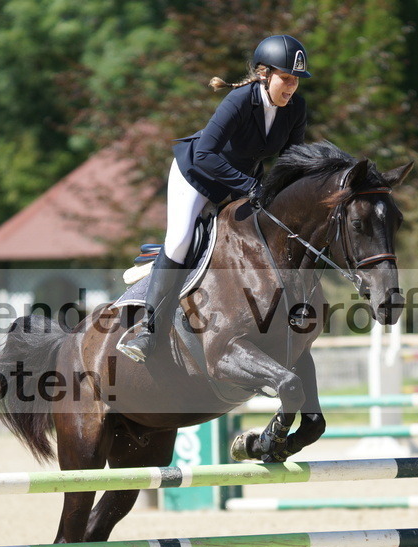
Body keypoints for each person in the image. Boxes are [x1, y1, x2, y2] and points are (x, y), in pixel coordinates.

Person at [117, 34, 311, 363]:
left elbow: (292, 160)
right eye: (286, 78)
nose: (291, 87)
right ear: (264, 74)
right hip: (196, 174)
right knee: (180, 240)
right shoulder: (239, 101)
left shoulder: (295, 108)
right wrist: (251, 185)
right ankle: (148, 330)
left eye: (296, 81)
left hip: (241, 182)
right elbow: (206, 153)